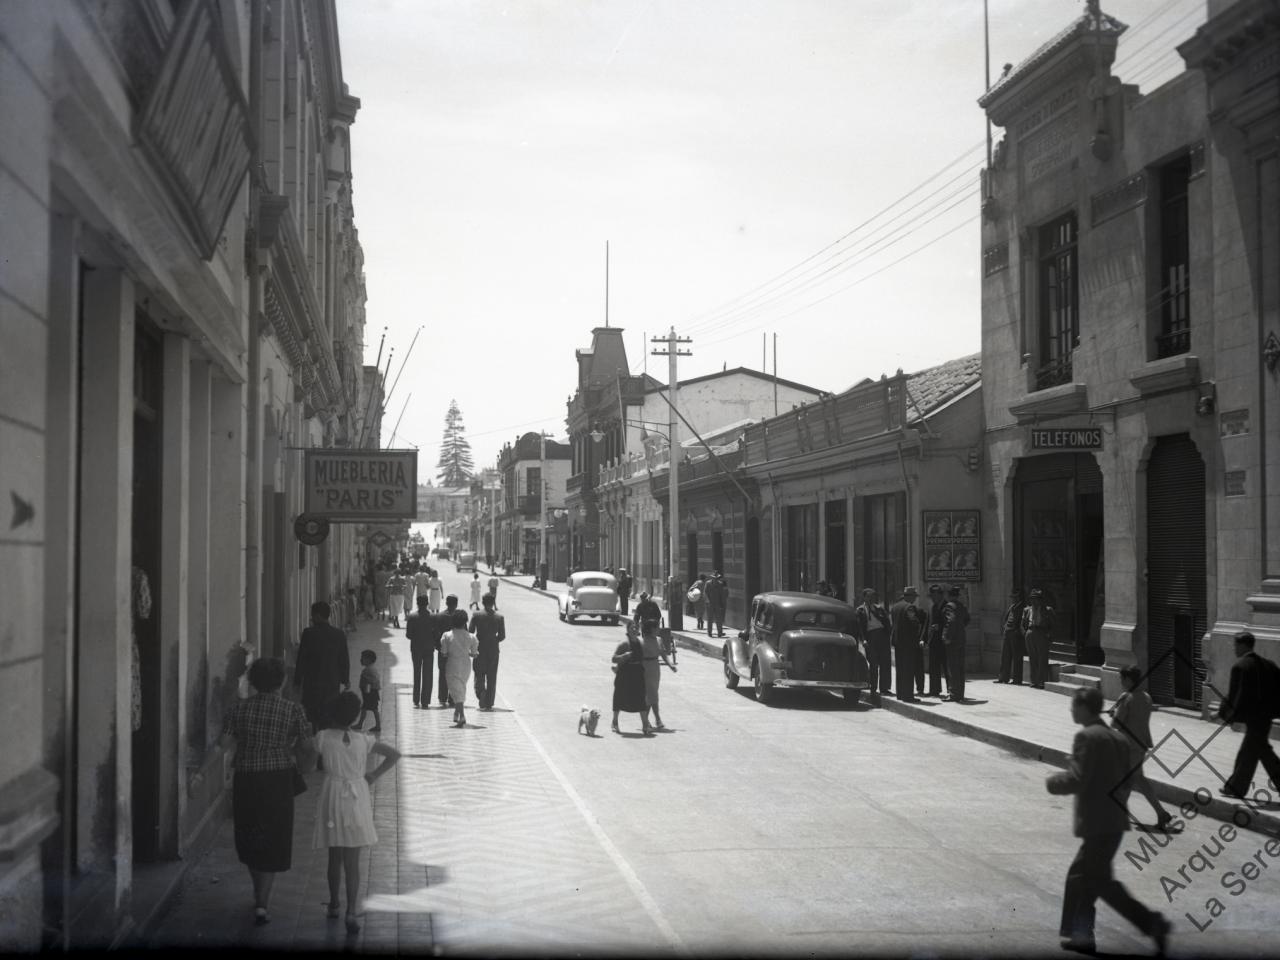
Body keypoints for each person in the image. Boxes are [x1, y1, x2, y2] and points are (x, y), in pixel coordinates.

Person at [1046, 687, 1171, 955]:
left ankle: (1151, 923)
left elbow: (1077, 779)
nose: (1070, 710)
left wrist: (1053, 781)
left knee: (1093, 880)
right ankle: (1082, 934)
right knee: (1086, 878)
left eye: (1073, 706)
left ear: (1085, 708)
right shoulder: (1119, 739)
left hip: (1097, 822)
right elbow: (1126, 782)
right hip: (1114, 821)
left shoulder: (1086, 737)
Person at [219, 657, 312, 926]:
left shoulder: (239, 710)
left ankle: (257, 891)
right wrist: (301, 757)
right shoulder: (292, 710)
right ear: (281, 682)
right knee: (275, 835)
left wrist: (201, 772)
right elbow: (307, 746)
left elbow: (223, 743)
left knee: (249, 833)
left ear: (253, 682)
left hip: (247, 778)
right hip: (278, 780)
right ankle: (262, 901)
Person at [313, 691, 400, 935]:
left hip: (332, 794)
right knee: (353, 860)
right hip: (357, 795)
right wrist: (372, 775)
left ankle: (334, 904)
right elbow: (394, 755)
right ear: (354, 717)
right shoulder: (364, 740)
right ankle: (352, 911)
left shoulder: (322, 738)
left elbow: (307, 763)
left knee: (334, 855)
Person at [1109, 665, 1174, 829]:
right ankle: (1158, 813)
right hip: (1141, 743)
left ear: (1128, 680)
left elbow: (1116, 724)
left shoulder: (1126, 698)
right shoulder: (1146, 697)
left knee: (1127, 779)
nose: (1121, 682)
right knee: (1134, 778)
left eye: (1122, 679)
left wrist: (1114, 713)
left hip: (1127, 745)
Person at [1218, 631, 1280, 800]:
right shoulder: (1270, 664)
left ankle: (1235, 788)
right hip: (1266, 717)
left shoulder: (1240, 666)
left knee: (1253, 751)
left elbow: (1237, 696)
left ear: (1243, 645)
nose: (1233, 649)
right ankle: (1234, 788)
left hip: (1253, 717)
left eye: (1235, 645)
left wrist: (1229, 715)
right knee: (1257, 750)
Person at [294, 601, 350, 733]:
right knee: (328, 712)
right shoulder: (339, 634)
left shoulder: (308, 633)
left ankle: (316, 738)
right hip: (332, 681)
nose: (311, 618)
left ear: (318, 616)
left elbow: (301, 659)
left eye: (313, 615)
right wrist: (345, 679)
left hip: (312, 682)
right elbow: (344, 659)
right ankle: (325, 741)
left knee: (312, 714)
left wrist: (297, 681)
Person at [612, 626, 652, 735]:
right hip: (624, 673)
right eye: (632, 628)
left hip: (637, 673)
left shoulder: (641, 643)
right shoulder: (624, 644)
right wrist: (624, 656)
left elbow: (643, 659)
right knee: (619, 697)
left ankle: (645, 725)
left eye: (636, 628)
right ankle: (615, 722)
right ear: (628, 631)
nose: (634, 630)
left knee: (640, 698)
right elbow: (614, 658)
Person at [889, 586, 927, 702]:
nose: (915, 599)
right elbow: (914, 623)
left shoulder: (895, 607)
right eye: (914, 596)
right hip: (908, 643)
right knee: (909, 669)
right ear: (909, 597)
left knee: (900, 669)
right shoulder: (909, 607)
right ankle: (908, 695)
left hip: (897, 642)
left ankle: (900, 694)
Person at [442, 609, 479, 727]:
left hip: (452, 665)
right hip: (465, 666)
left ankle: (462, 715)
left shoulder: (446, 635)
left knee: (455, 690)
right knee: (461, 688)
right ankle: (457, 712)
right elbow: (474, 654)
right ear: (465, 622)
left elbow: (444, 653)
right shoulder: (471, 637)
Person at [855, 588, 893, 704]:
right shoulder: (860, 611)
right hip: (870, 638)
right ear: (864, 597)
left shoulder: (879, 608)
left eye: (873, 596)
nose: (871, 598)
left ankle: (884, 688)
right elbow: (859, 628)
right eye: (869, 596)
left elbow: (887, 622)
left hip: (882, 637)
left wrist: (888, 636)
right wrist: (863, 640)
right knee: (873, 664)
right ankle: (873, 688)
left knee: (885, 663)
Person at [638, 617, 676, 730]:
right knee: (652, 695)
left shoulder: (659, 640)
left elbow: (664, 655)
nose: (659, 629)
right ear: (650, 629)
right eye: (657, 627)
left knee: (652, 695)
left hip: (655, 668)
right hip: (645, 668)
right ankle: (657, 719)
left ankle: (646, 720)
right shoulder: (641, 641)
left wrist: (670, 665)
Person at [470, 593, 506, 711]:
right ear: (493, 602)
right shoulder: (499, 617)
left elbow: (470, 631)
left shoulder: (476, 615)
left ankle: (481, 693)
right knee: (492, 676)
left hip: (480, 648)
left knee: (479, 673)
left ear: (482, 602)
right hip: (493, 649)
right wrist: (493, 640)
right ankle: (489, 702)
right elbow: (502, 636)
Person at [1022, 588, 1056, 689]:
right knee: (1033, 658)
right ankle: (1033, 681)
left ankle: (1041, 681)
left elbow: (1054, 624)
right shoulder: (1027, 610)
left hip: (1042, 633)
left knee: (1042, 658)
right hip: (1030, 633)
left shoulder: (1048, 610)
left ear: (1040, 600)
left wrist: (1049, 635)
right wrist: (1025, 633)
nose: (1034, 601)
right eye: (1032, 599)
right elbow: (1022, 624)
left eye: (1036, 599)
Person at [405, 595, 434, 709]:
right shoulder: (432, 617)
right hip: (428, 649)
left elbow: (408, 635)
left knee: (417, 673)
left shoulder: (412, 617)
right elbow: (436, 634)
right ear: (427, 603)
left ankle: (416, 699)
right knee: (428, 675)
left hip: (416, 648)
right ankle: (425, 700)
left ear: (417, 603)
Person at [942, 585, 970, 702]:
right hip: (961, 639)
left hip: (952, 641)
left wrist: (948, 636)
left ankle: (953, 694)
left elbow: (951, 621)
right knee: (960, 667)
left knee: (952, 667)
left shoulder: (949, 606)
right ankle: (960, 694)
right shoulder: (961, 606)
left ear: (949, 596)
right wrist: (960, 629)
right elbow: (967, 619)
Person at [434, 595, 461, 707]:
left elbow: (435, 633)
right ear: (456, 604)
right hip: (456, 651)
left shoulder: (439, 616)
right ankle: (452, 697)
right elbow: (465, 633)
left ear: (446, 603)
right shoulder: (460, 617)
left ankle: (442, 697)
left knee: (443, 673)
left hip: (443, 650)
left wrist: (438, 647)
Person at [996, 588, 1027, 684]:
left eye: (1014, 597)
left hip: (1015, 634)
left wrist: (1017, 631)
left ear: (1018, 598)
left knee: (1017, 657)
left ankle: (1017, 679)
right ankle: (1003, 677)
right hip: (1008, 633)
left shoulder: (1023, 608)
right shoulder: (1012, 607)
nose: (1013, 599)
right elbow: (1006, 618)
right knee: (1005, 656)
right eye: (1012, 597)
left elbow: (1023, 622)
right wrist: (1005, 628)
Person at [925, 584, 948, 697]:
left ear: (940, 595)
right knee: (933, 667)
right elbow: (927, 624)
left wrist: (941, 627)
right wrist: (924, 639)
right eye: (931, 596)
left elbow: (950, 623)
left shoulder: (947, 606)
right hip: (933, 641)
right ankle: (934, 690)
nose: (933, 598)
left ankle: (950, 690)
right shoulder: (933, 607)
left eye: (934, 595)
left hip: (944, 642)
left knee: (947, 666)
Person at [356, 650, 382, 733]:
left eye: (363, 658)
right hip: (370, 693)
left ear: (369, 660)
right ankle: (360, 724)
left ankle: (378, 725)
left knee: (374, 709)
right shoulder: (370, 669)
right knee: (364, 708)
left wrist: (367, 687)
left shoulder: (369, 670)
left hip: (371, 693)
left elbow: (374, 680)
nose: (361, 660)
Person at [704, 571, 728, 639]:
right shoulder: (708, 583)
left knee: (719, 619)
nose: (715, 579)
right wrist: (707, 601)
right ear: (712, 578)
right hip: (710, 604)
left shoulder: (720, 584)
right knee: (710, 619)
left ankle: (719, 633)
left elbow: (722, 595)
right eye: (714, 578)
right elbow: (705, 593)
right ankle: (709, 632)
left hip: (717, 604)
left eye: (716, 578)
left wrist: (722, 604)